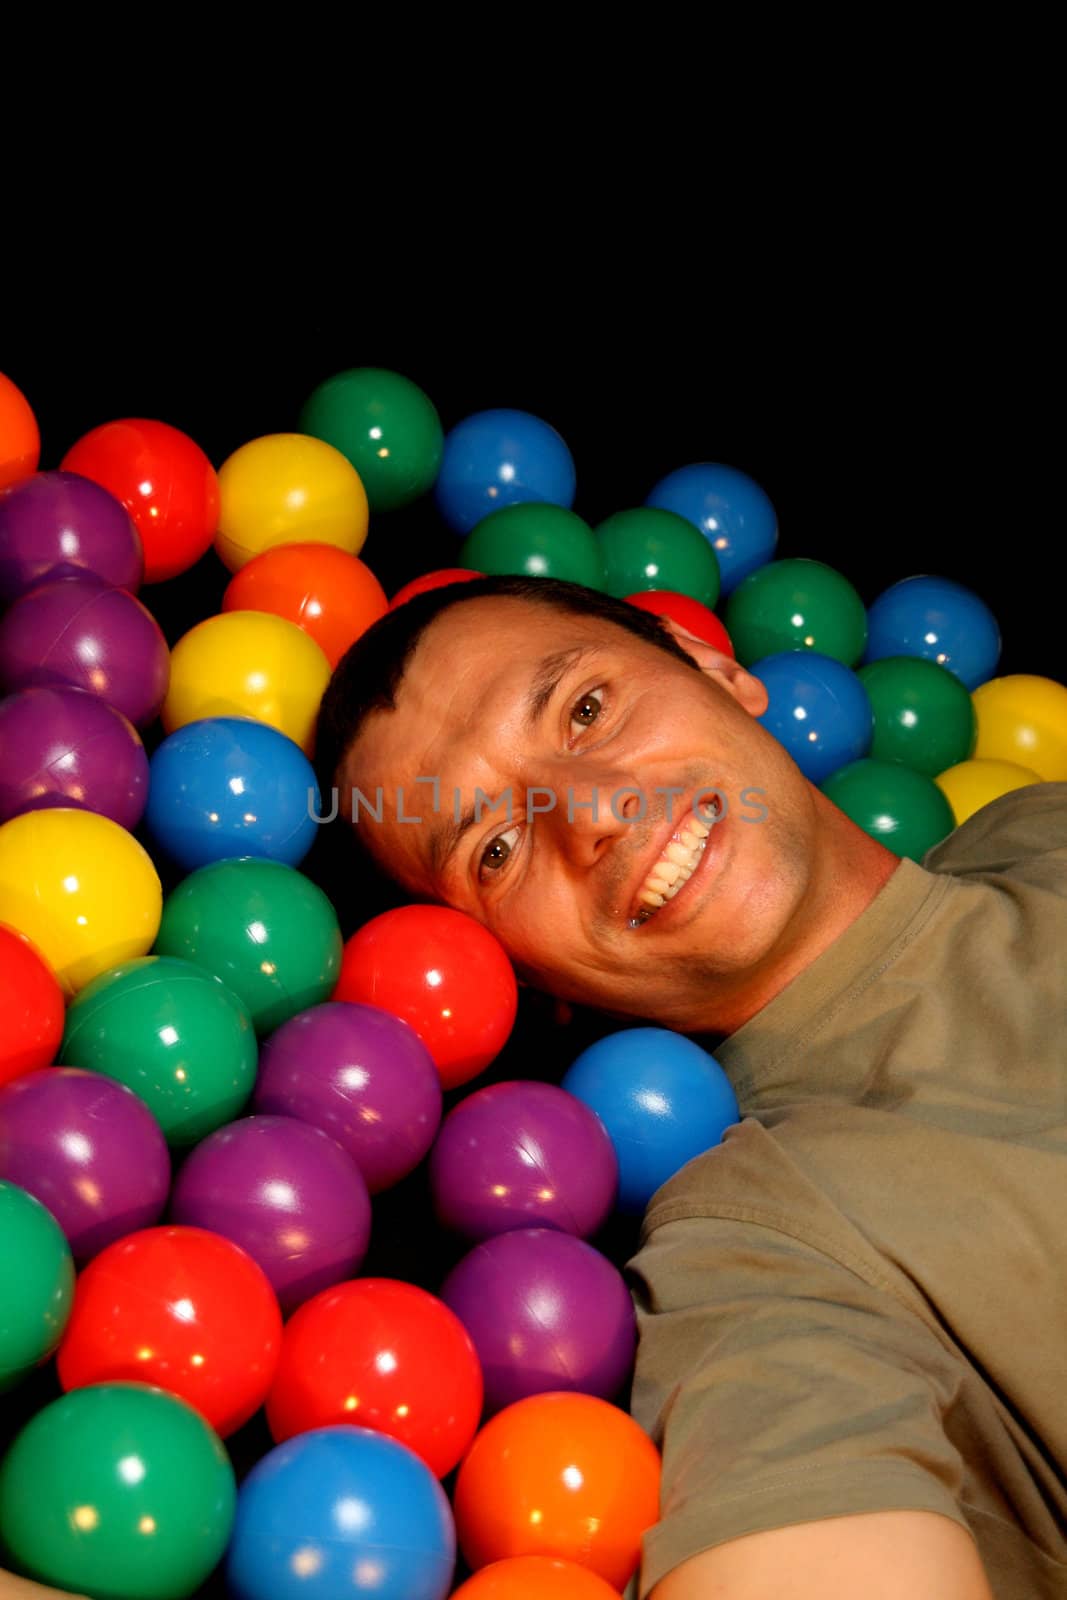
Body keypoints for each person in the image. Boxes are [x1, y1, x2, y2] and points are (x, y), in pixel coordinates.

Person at [315, 573, 1067, 1600]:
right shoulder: (758, 1239)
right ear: (518, 976)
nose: (593, 812)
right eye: (494, 847)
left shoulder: (1034, 826)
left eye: (586, 706)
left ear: (711, 663)